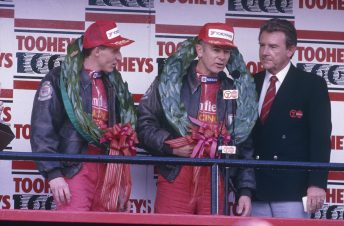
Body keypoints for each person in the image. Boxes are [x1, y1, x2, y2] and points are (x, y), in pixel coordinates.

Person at [137, 22, 257, 215]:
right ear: (199, 50)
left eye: (226, 51)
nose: (222, 57)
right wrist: (172, 145)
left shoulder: (234, 90)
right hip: (176, 173)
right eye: (216, 49)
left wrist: (245, 190)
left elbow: (244, 142)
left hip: (216, 177)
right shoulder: (170, 82)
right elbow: (144, 124)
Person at [30, 21, 137, 211]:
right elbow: (43, 128)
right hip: (75, 168)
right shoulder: (59, 78)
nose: (119, 58)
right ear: (97, 50)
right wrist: (53, 173)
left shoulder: (114, 83)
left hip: (108, 169)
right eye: (114, 51)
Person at [251, 18, 332, 218]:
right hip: (254, 189)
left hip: (292, 190)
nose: (264, 52)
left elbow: (320, 138)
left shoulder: (312, 85)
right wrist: (243, 189)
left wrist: (317, 183)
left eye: (272, 46)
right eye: (262, 45)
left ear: (290, 50)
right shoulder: (251, 82)